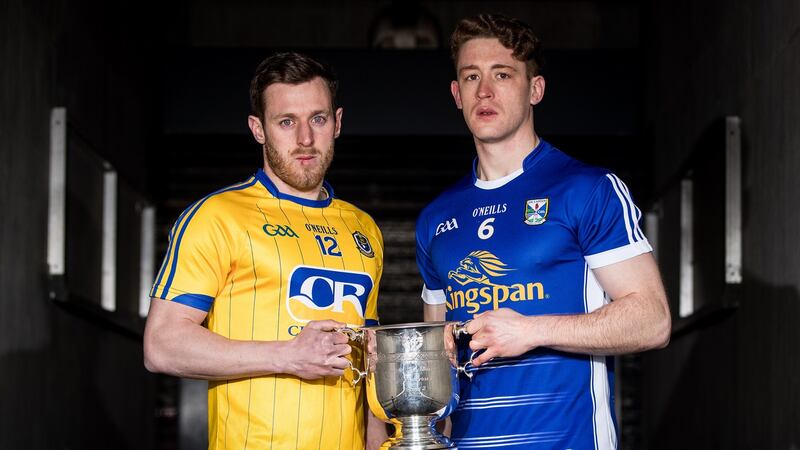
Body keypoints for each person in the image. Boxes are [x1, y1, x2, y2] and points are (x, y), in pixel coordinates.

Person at [415, 14, 672, 449]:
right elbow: (436, 363)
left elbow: (653, 321)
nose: (485, 91)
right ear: (457, 95)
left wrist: (533, 330)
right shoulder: (435, 219)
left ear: (535, 89)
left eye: (503, 74)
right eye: (471, 77)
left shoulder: (587, 190)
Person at [144, 52, 388, 450]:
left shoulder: (363, 228)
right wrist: (288, 355)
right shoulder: (216, 216)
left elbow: (368, 367)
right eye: (286, 122)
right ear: (258, 129)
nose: (305, 138)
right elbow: (162, 345)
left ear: (338, 122)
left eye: (318, 119)